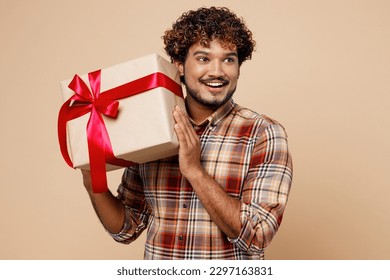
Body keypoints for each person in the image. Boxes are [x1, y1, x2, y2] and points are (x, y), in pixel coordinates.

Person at [81, 6, 293, 260]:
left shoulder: (264, 134)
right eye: (203, 58)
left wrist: (195, 171)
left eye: (228, 59)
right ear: (179, 66)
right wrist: (90, 174)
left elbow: (258, 235)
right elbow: (126, 228)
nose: (217, 71)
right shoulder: (152, 128)